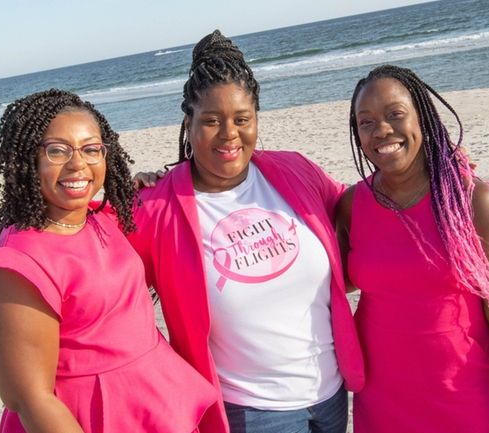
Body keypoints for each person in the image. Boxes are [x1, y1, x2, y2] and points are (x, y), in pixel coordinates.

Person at [127, 30, 364, 433]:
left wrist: (434, 176)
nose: (229, 134)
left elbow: (364, 206)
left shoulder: (294, 170)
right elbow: (101, 277)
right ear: (189, 122)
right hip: (248, 413)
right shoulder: (156, 207)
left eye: (242, 119)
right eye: (211, 121)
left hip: (331, 396)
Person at [0, 89, 217, 433]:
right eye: (57, 150)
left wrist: (144, 184)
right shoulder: (19, 265)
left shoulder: (100, 219)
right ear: (27, 160)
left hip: (155, 399)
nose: (78, 163)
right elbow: (31, 399)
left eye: (91, 149)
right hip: (90, 416)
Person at [336, 64, 489, 433]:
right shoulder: (354, 204)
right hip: (381, 404)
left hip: (463, 401)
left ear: (423, 116)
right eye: (365, 122)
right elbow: (340, 280)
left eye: (395, 114)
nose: (381, 130)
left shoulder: (472, 202)